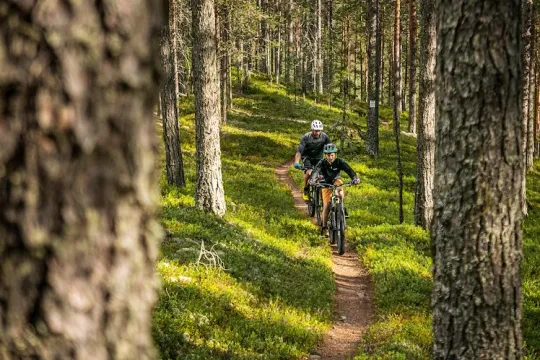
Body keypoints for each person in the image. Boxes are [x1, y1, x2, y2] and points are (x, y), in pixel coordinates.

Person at [310, 143, 360, 236]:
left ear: (335, 154)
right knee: (326, 205)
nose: (330, 157)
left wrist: (355, 178)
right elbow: (315, 171)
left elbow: (349, 170)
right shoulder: (322, 162)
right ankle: (324, 227)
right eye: (328, 155)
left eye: (332, 154)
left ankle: (341, 208)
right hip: (325, 183)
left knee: (340, 192)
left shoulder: (339, 161)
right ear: (325, 155)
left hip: (336, 180)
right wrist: (312, 180)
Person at [293, 120, 331, 201]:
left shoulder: (325, 137)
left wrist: (331, 161)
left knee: (322, 176)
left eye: (319, 131)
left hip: (319, 158)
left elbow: (330, 150)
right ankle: (306, 190)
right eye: (315, 131)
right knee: (309, 172)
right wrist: (296, 162)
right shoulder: (306, 137)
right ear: (312, 130)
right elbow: (299, 151)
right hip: (307, 157)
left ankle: (323, 196)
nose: (317, 133)